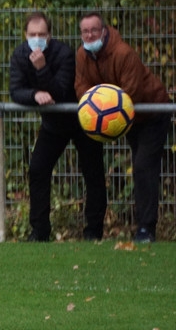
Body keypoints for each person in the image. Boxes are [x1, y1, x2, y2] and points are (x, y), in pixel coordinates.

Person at [9, 12, 106, 241]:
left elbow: (61, 91)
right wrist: (35, 94)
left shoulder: (64, 53)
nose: (37, 39)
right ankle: (40, 231)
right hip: (53, 124)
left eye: (41, 34)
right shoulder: (19, 55)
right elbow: (16, 90)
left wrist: (42, 68)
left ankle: (94, 231)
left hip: (81, 120)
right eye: (32, 34)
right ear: (25, 35)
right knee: (38, 169)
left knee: (93, 173)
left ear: (49, 35)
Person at [75, 12, 171, 243]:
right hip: (126, 120)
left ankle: (146, 229)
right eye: (85, 31)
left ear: (104, 31)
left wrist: (105, 114)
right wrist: (96, 111)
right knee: (139, 167)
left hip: (152, 113)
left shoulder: (124, 54)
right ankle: (140, 226)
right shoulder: (81, 55)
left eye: (94, 30)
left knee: (143, 166)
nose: (90, 35)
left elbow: (131, 94)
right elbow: (82, 87)